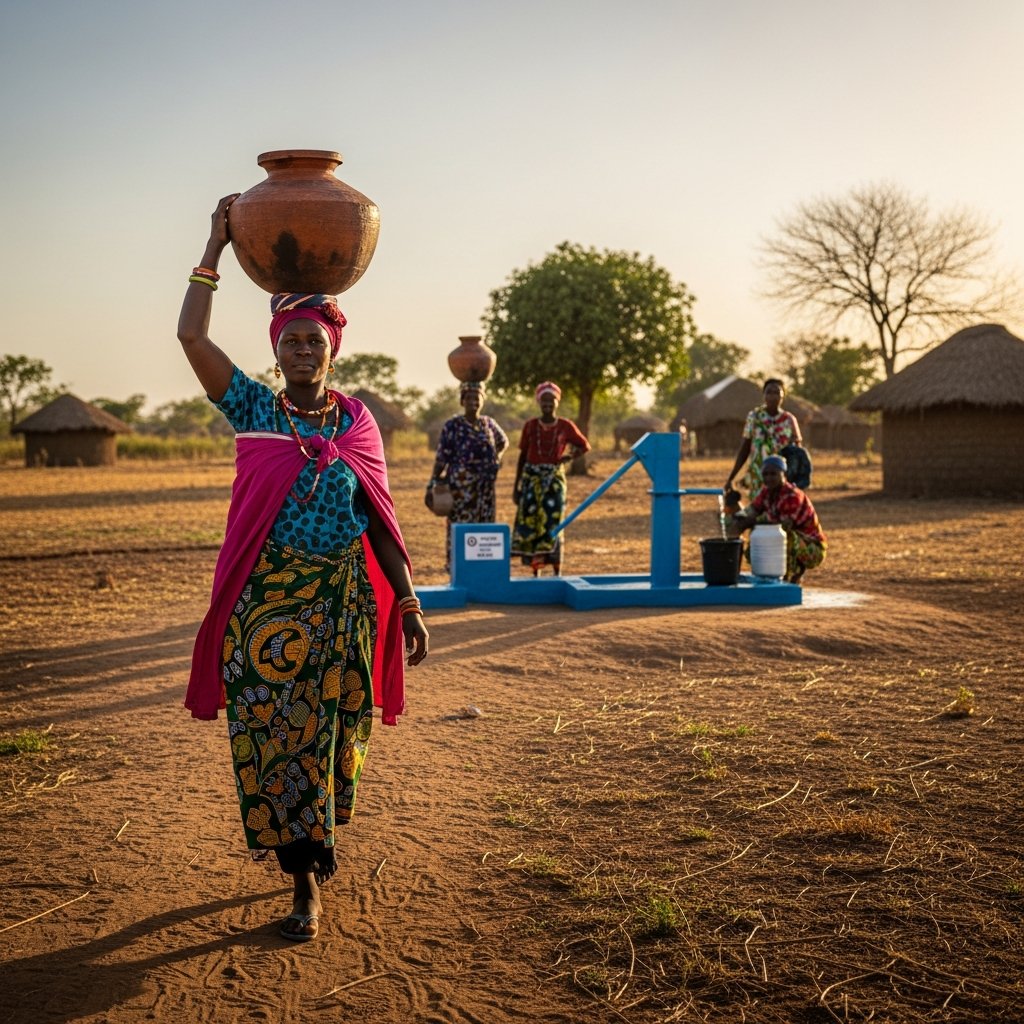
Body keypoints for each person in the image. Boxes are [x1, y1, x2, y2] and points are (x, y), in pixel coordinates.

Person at [178, 195, 428, 943]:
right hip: (267, 607)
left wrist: (408, 601)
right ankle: (304, 880)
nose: (302, 351)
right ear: (276, 350)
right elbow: (190, 333)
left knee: (327, 740)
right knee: (275, 735)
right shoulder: (253, 408)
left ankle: (310, 855)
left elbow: (379, 520)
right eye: (290, 340)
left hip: (344, 605)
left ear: (332, 349)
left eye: (313, 339)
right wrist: (216, 244)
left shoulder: (356, 424)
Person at [425, 381, 509, 569]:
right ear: (462, 401)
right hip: (461, 488)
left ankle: (481, 566)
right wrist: (432, 484)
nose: (473, 401)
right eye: (469, 397)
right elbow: (441, 459)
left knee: (484, 526)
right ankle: (457, 565)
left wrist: (497, 457)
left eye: (477, 397)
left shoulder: (489, 424)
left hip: (485, 489)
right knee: (460, 526)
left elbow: (503, 442)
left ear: (482, 400)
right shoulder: (453, 426)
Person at [511, 381, 591, 576]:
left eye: (551, 400)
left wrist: (569, 457)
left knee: (553, 523)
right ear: (539, 402)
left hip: (554, 481)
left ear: (557, 402)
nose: (547, 404)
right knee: (531, 521)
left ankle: (556, 569)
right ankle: (535, 570)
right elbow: (522, 457)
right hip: (531, 480)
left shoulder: (565, 426)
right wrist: (517, 485)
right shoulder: (530, 426)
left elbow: (584, 445)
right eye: (544, 401)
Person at [731, 454, 827, 584]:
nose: (769, 478)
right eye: (765, 474)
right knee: (754, 544)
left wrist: (749, 522)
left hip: (812, 547)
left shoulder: (793, 495)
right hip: (796, 542)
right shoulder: (766, 492)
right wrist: (736, 516)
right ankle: (769, 577)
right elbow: (752, 510)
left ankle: (792, 576)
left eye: (773, 474)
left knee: (784, 537)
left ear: (783, 474)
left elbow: (783, 524)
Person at [725, 378, 803, 502]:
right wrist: (731, 478)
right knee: (758, 515)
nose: (772, 396)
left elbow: (798, 453)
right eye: (769, 392)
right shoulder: (754, 417)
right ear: (764, 395)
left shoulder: (789, 420)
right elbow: (745, 448)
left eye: (776, 392)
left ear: (783, 395)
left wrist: (797, 479)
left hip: (782, 478)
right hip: (758, 477)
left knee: (781, 514)